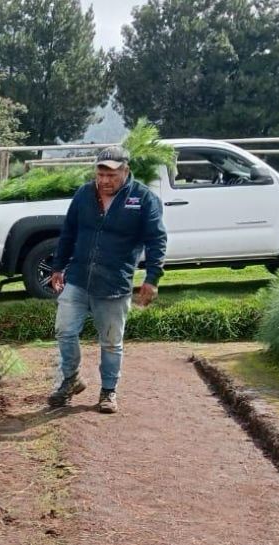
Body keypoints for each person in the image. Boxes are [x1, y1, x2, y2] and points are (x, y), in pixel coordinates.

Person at [47, 145, 167, 414]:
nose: (104, 181)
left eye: (111, 175)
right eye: (100, 174)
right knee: (65, 331)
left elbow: (156, 240)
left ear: (125, 171)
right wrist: (58, 266)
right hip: (77, 277)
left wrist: (152, 277)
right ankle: (71, 379)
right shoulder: (83, 195)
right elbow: (68, 232)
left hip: (114, 284)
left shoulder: (143, 199)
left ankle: (108, 391)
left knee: (111, 342)